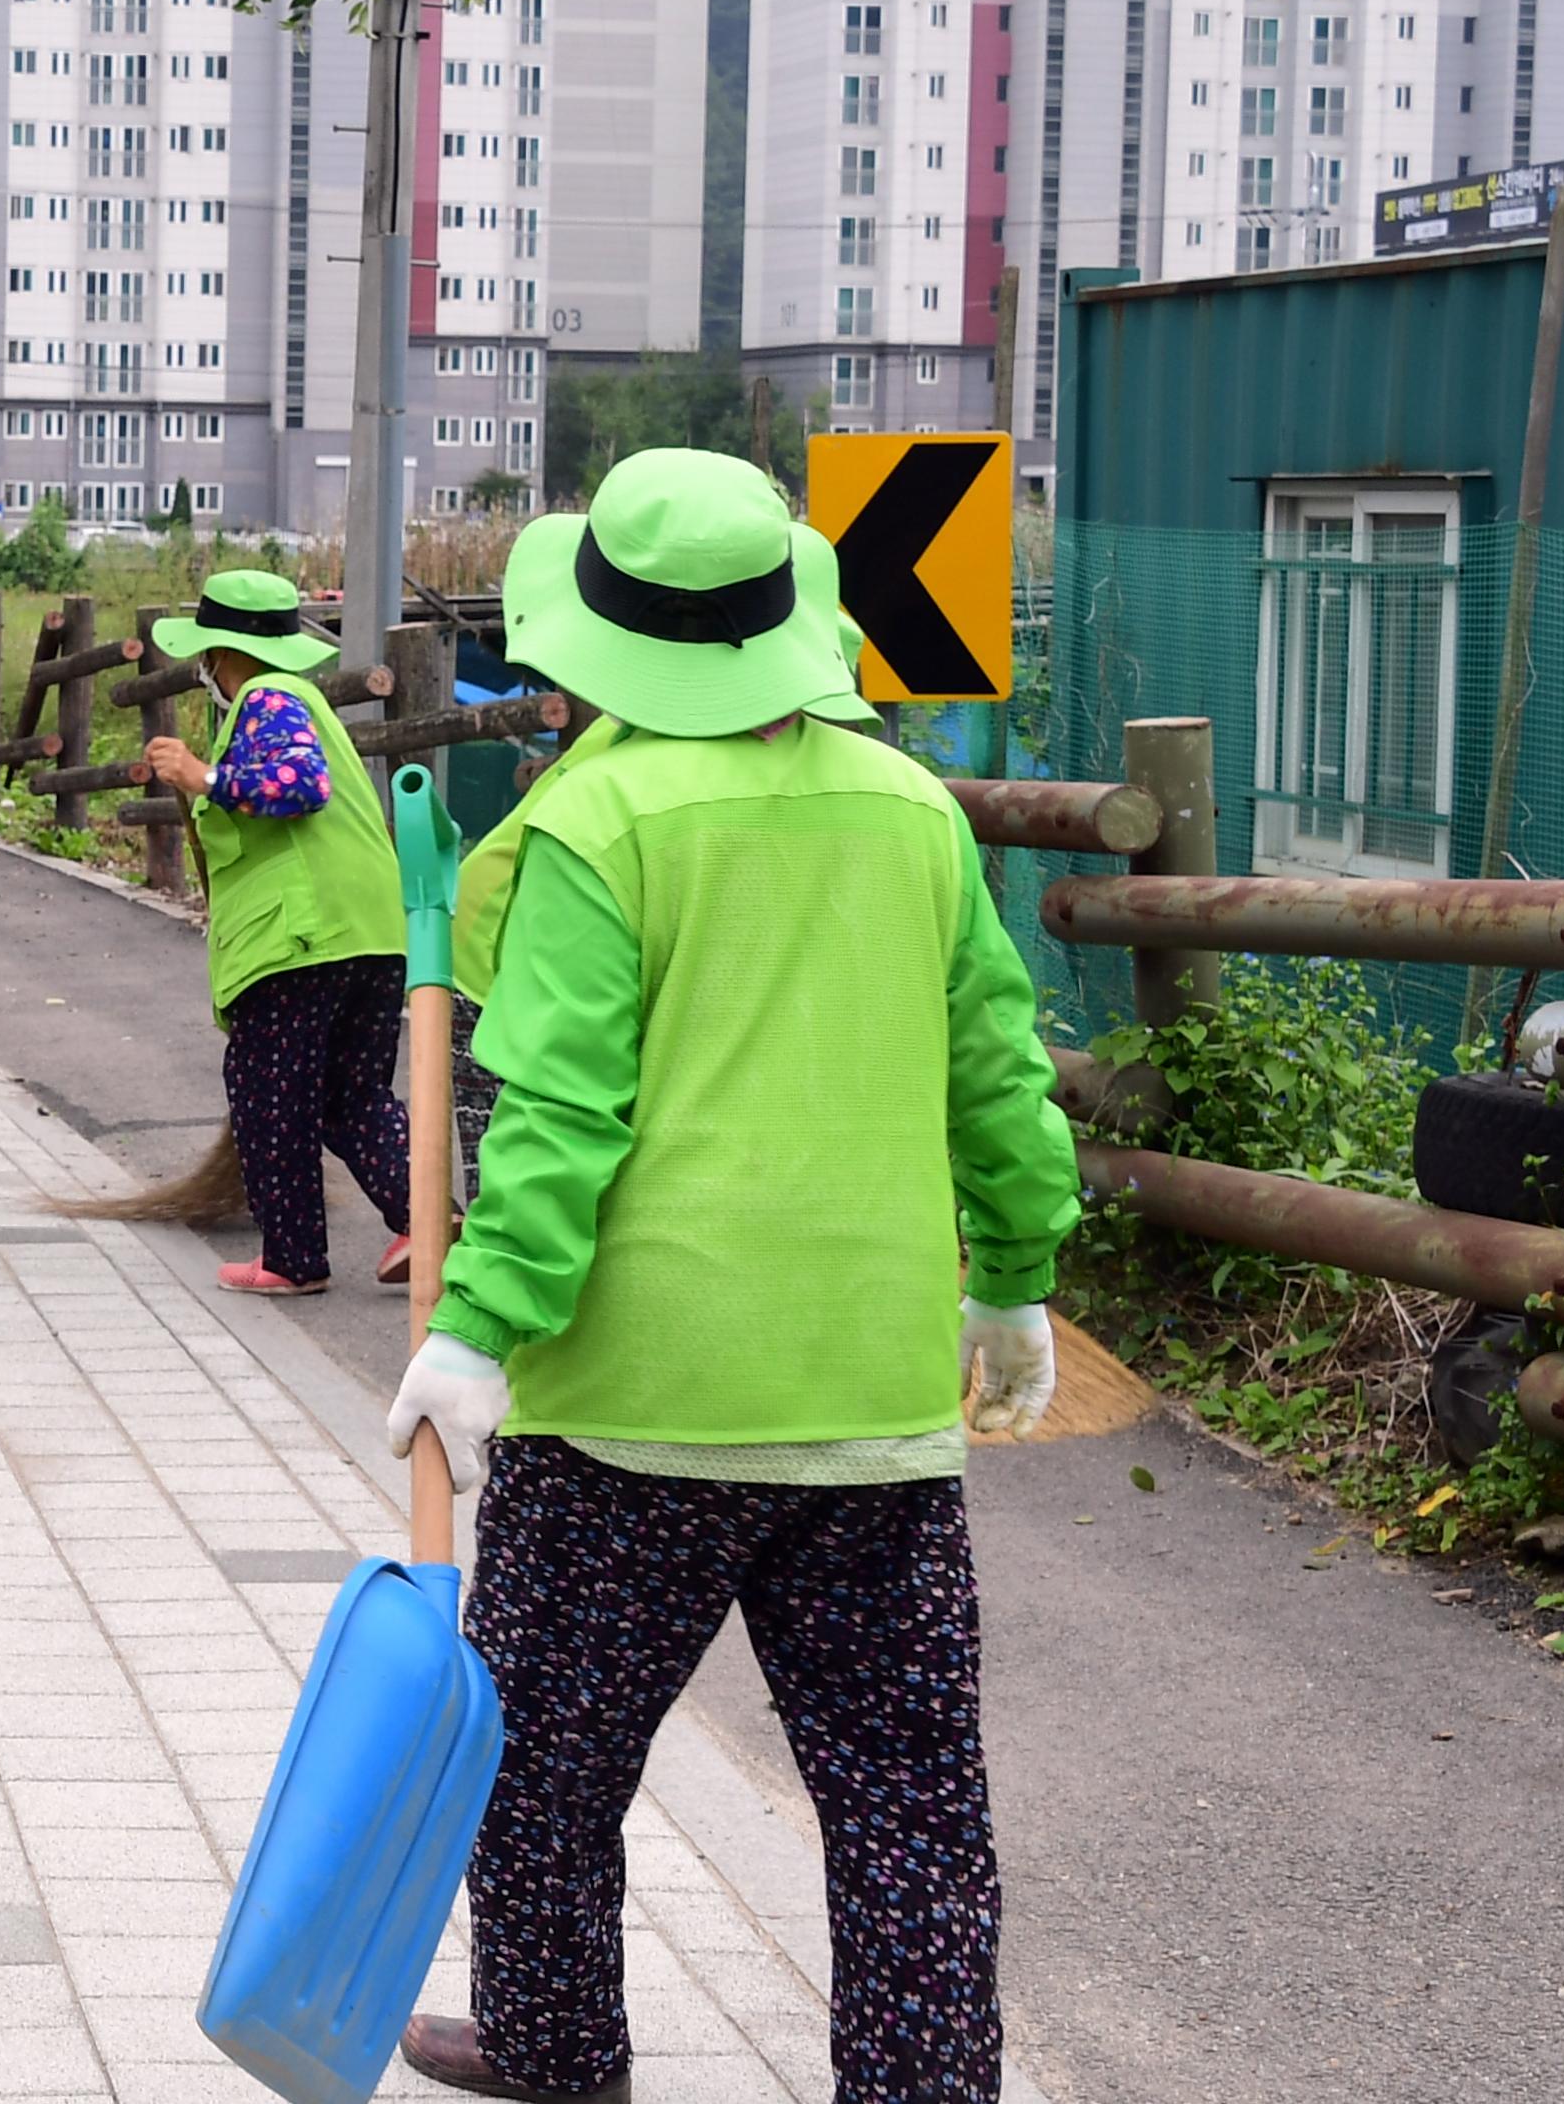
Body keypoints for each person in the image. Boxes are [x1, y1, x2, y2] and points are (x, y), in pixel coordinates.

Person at [381, 449, 1079, 2103]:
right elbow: (995, 1071)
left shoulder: (595, 821)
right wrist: (1016, 1277)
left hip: (636, 1406)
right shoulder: (913, 812)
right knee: (906, 1791)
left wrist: (476, 1327)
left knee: (545, 1769)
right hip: (874, 1395)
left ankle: (554, 2052)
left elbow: (554, 1118)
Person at [141, 569, 419, 1296]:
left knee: (271, 1092)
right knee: (349, 1095)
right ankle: (430, 1219)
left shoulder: (267, 699)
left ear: (222, 655)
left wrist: (202, 777)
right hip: (370, 931)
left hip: (301, 939)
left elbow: (298, 787)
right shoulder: (307, 702)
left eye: (207, 656)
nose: (206, 671)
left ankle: (293, 1259)